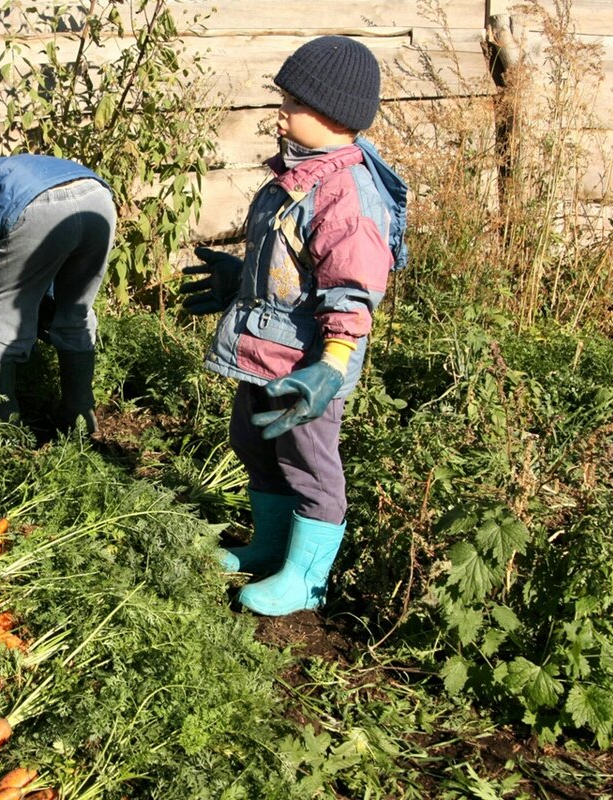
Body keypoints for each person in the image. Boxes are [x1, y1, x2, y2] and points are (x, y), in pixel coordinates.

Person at [180, 36, 404, 616]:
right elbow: (289, 259)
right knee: (254, 443)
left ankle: (305, 582)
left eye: (291, 103)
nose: (280, 112)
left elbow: (351, 292)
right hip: (265, 350)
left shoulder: (347, 197)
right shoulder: (299, 176)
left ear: (330, 114)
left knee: (309, 464)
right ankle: (270, 547)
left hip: (307, 368)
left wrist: (328, 367)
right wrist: (244, 280)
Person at [0, 152, 117, 435]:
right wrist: (46, 295)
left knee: (1, 315)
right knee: (75, 310)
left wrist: (23, 295)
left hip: (40, 207)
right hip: (97, 198)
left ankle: (4, 424)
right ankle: (79, 414)